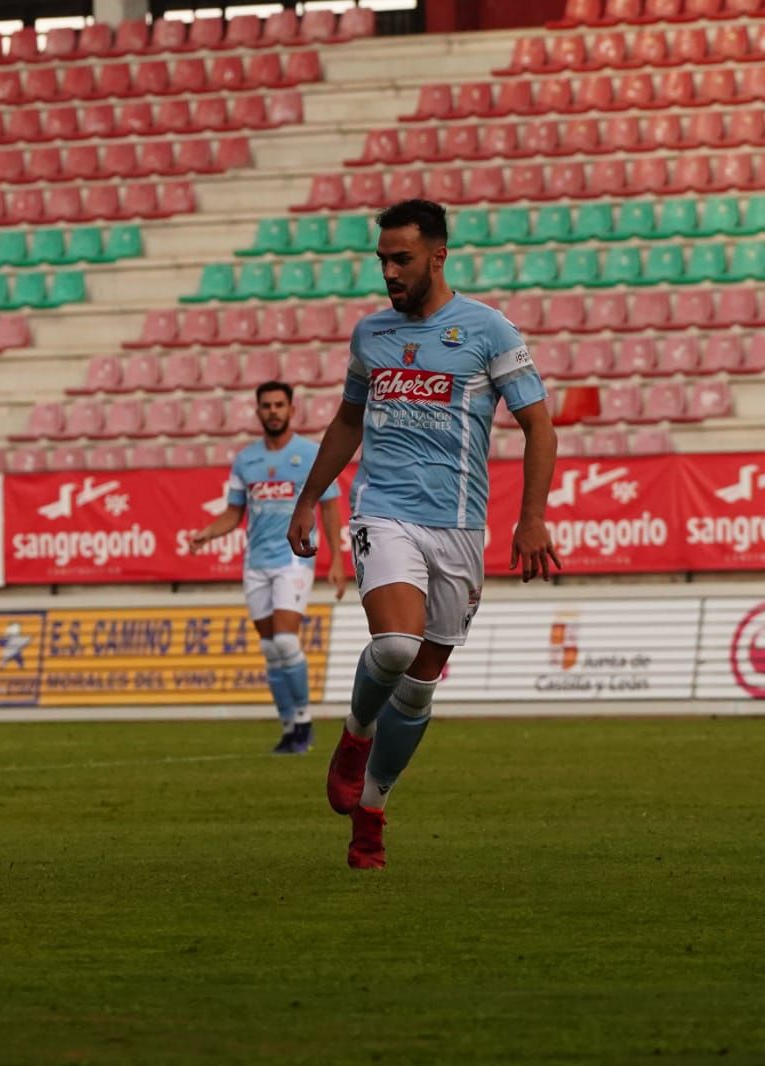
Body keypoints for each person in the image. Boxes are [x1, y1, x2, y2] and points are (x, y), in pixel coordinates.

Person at [286, 198, 559, 869]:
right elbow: (348, 421)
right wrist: (309, 497)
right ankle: (354, 735)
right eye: (382, 260)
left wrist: (531, 518)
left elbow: (540, 425)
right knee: (396, 646)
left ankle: (372, 811)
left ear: (438, 256)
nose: (388, 272)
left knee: (420, 683)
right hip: (384, 510)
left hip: (460, 527)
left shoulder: (489, 331)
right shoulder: (370, 334)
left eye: (401, 259)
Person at [190, 381, 346, 754]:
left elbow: (329, 505)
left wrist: (337, 559)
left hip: (293, 558)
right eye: (267, 405)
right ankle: (289, 726)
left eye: (279, 405)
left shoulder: (310, 454)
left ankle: (305, 721)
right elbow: (233, 513)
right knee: (271, 648)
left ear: (292, 410)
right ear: (258, 411)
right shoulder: (246, 460)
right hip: (256, 563)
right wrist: (207, 535)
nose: (273, 411)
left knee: (286, 639)